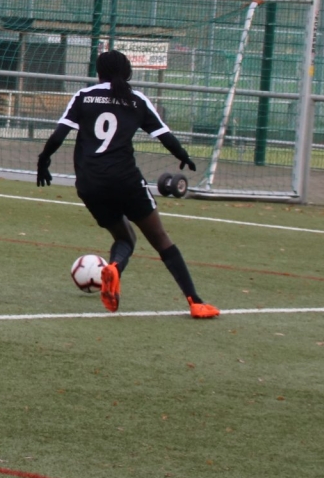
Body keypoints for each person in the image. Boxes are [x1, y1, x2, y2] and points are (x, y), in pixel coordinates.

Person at [36, 49, 219, 318]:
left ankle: (113, 268)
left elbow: (58, 136)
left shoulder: (84, 96)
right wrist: (183, 156)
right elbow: (164, 136)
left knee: (124, 237)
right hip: (126, 180)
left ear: (99, 72)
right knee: (160, 239)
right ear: (128, 72)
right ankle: (196, 302)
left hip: (90, 183)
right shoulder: (136, 100)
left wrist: (43, 161)